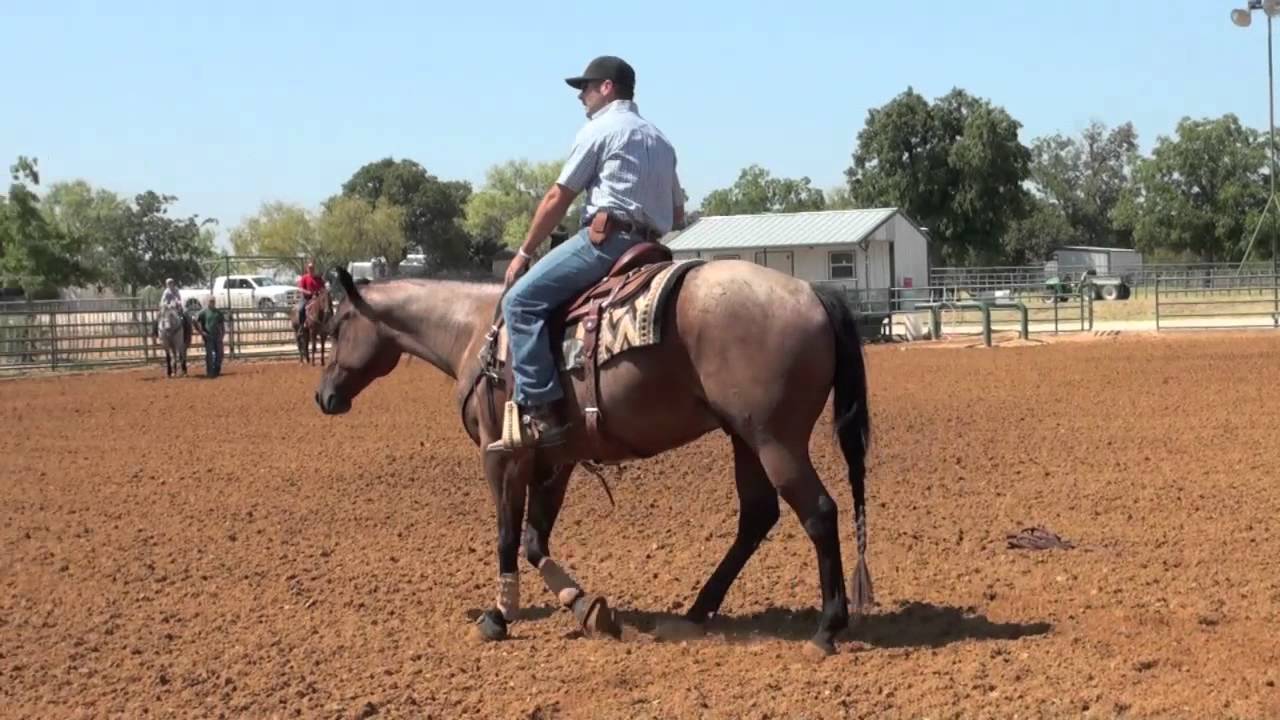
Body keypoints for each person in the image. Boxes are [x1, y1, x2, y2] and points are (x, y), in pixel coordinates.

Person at [494, 55, 685, 451]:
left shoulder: (599, 130)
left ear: (607, 88)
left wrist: (523, 252)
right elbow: (678, 213)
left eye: (585, 87)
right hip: (651, 248)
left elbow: (557, 196)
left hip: (606, 243)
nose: (580, 96)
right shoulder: (662, 141)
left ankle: (541, 410)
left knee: (521, 301)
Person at [194, 296, 226, 377]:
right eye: (210, 301)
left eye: (213, 301)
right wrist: (201, 332)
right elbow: (195, 319)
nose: (212, 303)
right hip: (208, 335)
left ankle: (217, 369)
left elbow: (222, 323)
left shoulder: (218, 312)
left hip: (217, 335)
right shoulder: (203, 312)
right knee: (210, 354)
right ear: (207, 302)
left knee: (220, 353)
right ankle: (210, 371)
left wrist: (223, 333)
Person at [297, 261, 325, 329]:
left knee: (327, 308)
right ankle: (301, 325)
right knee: (301, 309)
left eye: (312, 268)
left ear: (314, 269)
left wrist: (321, 292)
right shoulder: (304, 278)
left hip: (317, 298)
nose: (311, 269)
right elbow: (300, 289)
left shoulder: (318, 278)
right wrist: (308, 292)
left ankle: (329, 325)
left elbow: (323, 288)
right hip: (306, 298)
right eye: (309, 268)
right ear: (307, 269)